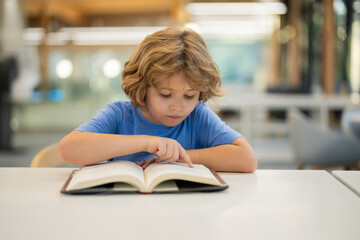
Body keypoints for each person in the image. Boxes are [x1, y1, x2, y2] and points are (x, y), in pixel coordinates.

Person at [58, 26, 257, 172]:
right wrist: (147, 142)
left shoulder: (197, 116)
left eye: (189, 96)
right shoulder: (119, 115)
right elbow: (68, 149)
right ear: (143, 87)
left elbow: (247, 159)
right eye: (165, 94)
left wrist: (179, 158)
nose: (177, 107)